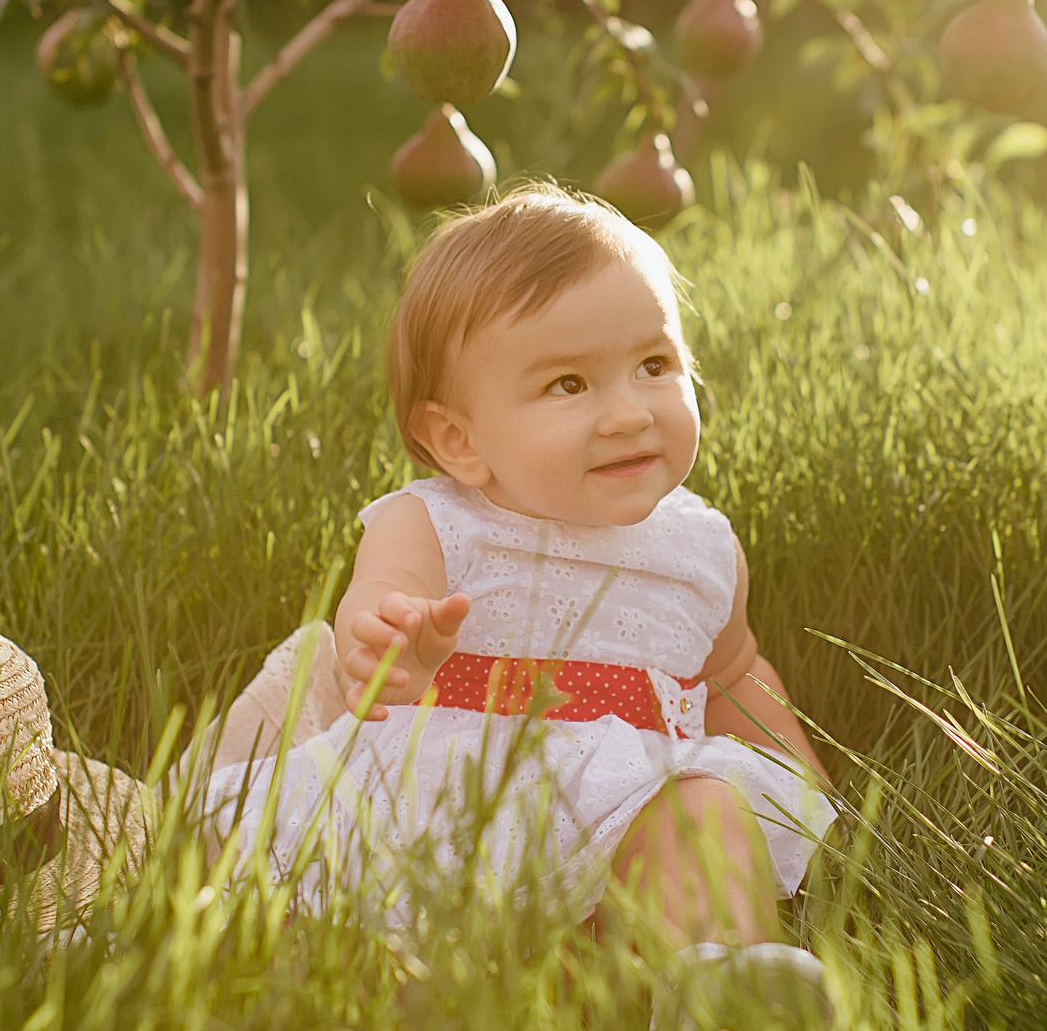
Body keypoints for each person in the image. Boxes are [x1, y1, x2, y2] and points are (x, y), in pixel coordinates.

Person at [202, 185, 835, 986]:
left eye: (654, 365)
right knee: (333, 911)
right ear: (460, 440)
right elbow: (379, 594)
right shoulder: (433, 520)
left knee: (707, 810)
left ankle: (714, 996)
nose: (628, 413)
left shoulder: (701, 547)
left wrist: (806, 791)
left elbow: (733, 674)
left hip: (633, 804)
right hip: (463, 792)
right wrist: (392, 633)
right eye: (569, 385)